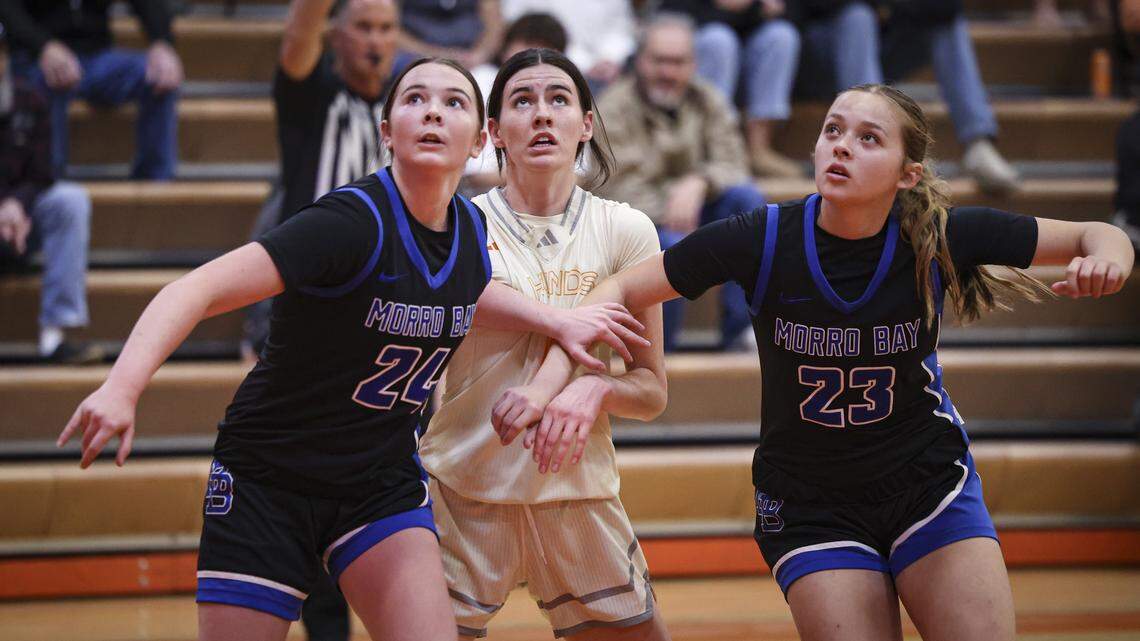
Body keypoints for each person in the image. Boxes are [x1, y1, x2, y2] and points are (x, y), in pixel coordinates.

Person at [497, 83, 1135, 641]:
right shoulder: (763, 236)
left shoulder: (938, 234)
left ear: (907, 173)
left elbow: (1094, 234)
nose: (841, 146)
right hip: (811, 503)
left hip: (927, 486)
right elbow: (615, 291)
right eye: (832, 130)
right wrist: (565, 383)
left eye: (867, 138)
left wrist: (1112, 258)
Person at [55, 57, 644, 641]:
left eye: (453, 102)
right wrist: (122, 386)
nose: (433, 111)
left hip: (377, 481)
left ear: (478, 142)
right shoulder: (348, 222)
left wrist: (552, 321)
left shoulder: (469, 231)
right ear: (387, 133)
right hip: (272, 476)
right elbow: (196, 288)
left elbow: (469, 292)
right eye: (414, 100)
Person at [420, 48, 671, 641]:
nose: (541, 115)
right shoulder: (456, 226)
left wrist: (592, 390)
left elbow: (651, 391)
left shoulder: (627, 229)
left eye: (559, 99)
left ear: (586, 123)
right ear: (493, 132)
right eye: (522, 101)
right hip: (464, 490)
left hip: (577, 496)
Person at [597, 13, 765, 350]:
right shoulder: (612, 108)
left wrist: (699, 182)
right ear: (640, 61)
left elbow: (734, 162)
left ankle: (744, 337)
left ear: (692, 64)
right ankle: (659, 355)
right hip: (641, 225)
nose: (669, 73)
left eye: (679, 62)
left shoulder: (707, 99)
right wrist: (675, 201)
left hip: (698, 210)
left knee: (748, 202)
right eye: (659, 61)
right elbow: (615, 189)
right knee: (671, 246)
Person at [790, 0, 1021, 194]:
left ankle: (978, 144)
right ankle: (873, 137)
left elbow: (947, 6)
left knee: (946, 23)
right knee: (857, 15)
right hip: (816, 53)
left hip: (881, 43)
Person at [0, 22, 100, 365]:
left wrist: (15, 205)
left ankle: (56, 335)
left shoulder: (30, 98)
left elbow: (44, 173)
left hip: (22, 222)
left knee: (69, 200)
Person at [0, 0, 181, 180]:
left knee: (158, 73)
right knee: (47, 80)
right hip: (36, 58)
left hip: (97, 56)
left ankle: (155, 182)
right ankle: (49, 183)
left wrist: (162, 43)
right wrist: (44, 47)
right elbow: (8, 10)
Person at [275, 0, 415, 226]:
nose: (375, 41)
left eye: (386, 28)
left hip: (381, 254)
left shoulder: (405, 102)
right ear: (335, 35)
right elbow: (299, 33)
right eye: (363, 27)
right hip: (312, 248)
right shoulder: (312, 90)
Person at [661, 0, 803, 178]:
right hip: (701, 37)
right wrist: (721, 7)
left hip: (749, 45)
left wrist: (760, 9)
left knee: (781, 35)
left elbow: (796, 13)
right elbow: (673, 14)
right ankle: (712, 149)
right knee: (719, 40)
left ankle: (759, 149)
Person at [463, 12, 570, 195]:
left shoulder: (569, 88)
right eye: (528, 45)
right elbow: (477, 175)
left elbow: (580, 173)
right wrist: (543, 175)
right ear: (506, 47)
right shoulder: (481, 80)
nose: (536, 56)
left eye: (547, 49)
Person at [398, 0, 504, 71]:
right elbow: (389, 27)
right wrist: (435, 55)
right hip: (414, 58)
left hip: (472, 61)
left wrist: (479, 55)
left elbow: (494, 24)